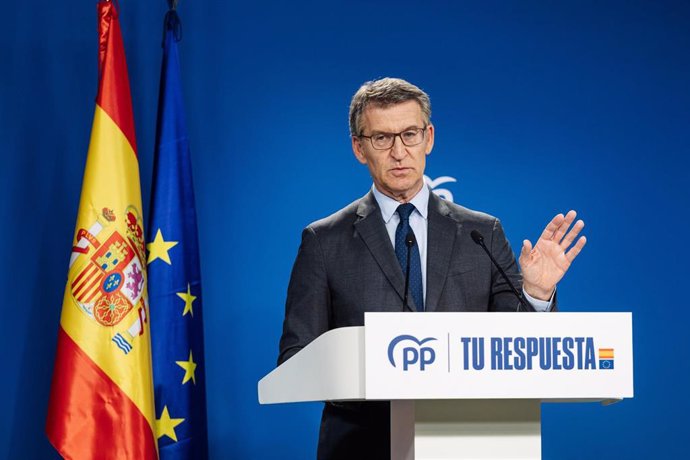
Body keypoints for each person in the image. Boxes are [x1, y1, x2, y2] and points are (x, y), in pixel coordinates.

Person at [277, 77, 586, 459]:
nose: (398, 152)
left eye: (409, 134)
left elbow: (515, 347)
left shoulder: (482, 232)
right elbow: (298, 354)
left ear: (429, 138)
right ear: (359, 148)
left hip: (470, 440)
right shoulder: (324, 241)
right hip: (362, 444)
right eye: (381, 138)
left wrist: (536, 294)